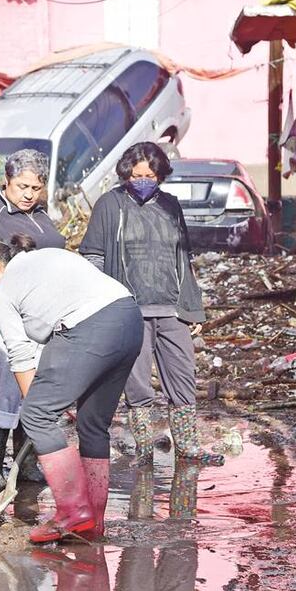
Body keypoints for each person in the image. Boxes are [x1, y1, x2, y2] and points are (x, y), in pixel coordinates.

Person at [0, 236, 142, 543]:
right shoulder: (48, 255)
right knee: (92, 424)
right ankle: (93, 522)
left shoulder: (3, 293)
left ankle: (73, 510)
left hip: (90, 327)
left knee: (36, 415)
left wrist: (36, 409)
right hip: (129, 318)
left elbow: (20, 355)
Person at [79, 142, 224, 467]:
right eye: (137, 175)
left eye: (150, 176)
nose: (143, 181)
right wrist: (101, 307)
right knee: (137, 384)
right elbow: (93, 257)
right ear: (126, 174)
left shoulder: (171, 205)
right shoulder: (110, 204)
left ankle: (188, 447)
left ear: (160, 175)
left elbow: (183, 258)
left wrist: (192, 306)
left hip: (172, 310)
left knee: (183, 377)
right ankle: (144, 450)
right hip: (129, 312)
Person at [0, 149, 64, 495]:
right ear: (6, 180)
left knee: (31, 390)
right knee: (2, 393)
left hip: (41, 316)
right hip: (4, 317)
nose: (28, 194)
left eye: (35, 188)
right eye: (22, 186)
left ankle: (27, 464)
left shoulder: (41, 214)